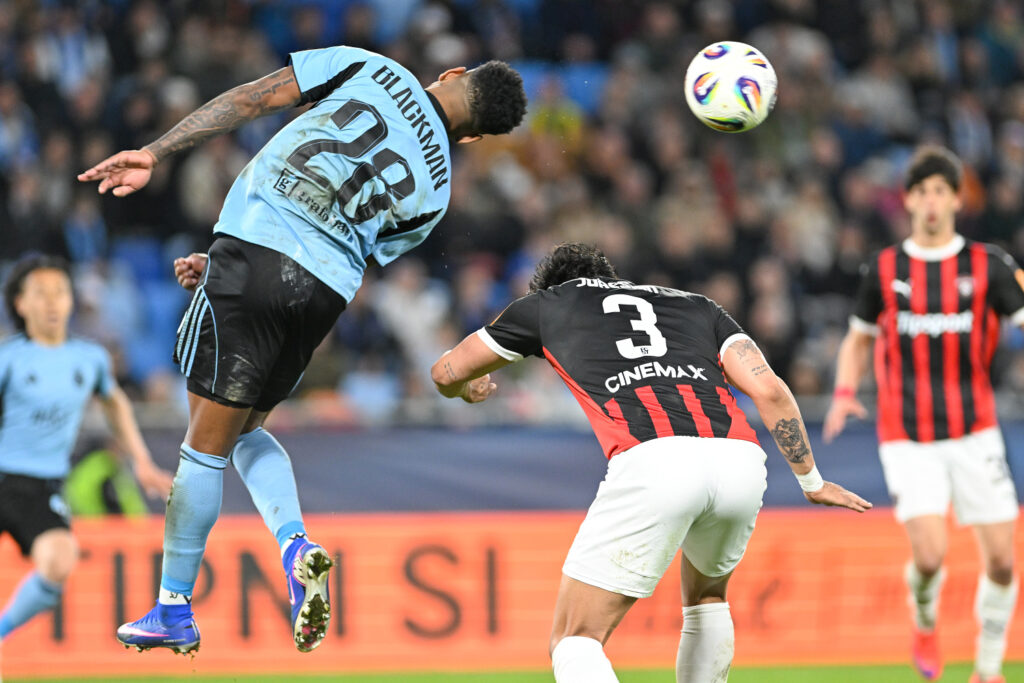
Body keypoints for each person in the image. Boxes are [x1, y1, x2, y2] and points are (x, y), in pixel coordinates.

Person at [78, 47, 526, 654]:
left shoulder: (371, 67)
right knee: (245, 431)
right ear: (471, 137)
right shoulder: (436, 191)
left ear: (451, 74)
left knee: (203, 447)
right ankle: (294, 545)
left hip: (257, 250)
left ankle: (174, 607)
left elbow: (253, 98)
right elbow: (350, 242)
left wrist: (156, 152)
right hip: (320, 296)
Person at [431, 242, 870, 683]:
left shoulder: (546, 306)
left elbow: (446, 372)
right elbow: (770, 389)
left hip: (655, 459)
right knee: (707, 598)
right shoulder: (698, 306)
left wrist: (465, 388)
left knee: (575, 637)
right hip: (739, 459)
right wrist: (812, 481)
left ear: (551, 287)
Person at [824, 145, 1022, 683]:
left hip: (975, 430)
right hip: (907, 435)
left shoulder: (990, 265)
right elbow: (858, 339)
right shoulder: (885, 269)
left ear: (957, 199)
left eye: (941, 191)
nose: (931, 201)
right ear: (908, 200)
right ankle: (926, 619)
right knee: (931, 555)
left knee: (1003, 561)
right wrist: (844, 391)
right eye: (921, 192)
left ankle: (987, 669)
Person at [0, 256, 172, 670]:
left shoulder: (89, 358)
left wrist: (143, 462)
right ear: (20, 304)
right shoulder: (9, 358)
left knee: (60, 559)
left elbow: (115, 404)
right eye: (40, 293)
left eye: (59, 291)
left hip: (42, 485)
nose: (52, 301)